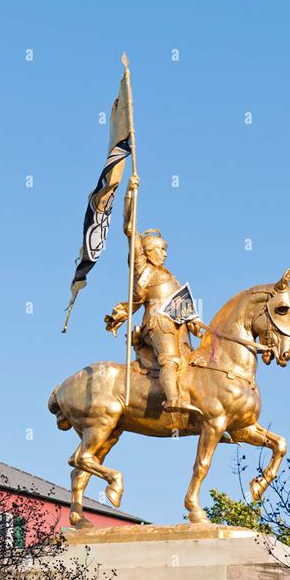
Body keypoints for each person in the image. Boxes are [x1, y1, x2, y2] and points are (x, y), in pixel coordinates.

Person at [104, 174, 203, 415]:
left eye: (165, 250)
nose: (164, 254)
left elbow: (182, 305)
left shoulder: (171, 277)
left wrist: (195, 321)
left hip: (177, 327)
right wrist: (130, 193)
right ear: (147, 252)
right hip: (157, 323)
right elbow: (130, 228)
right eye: (160, 249)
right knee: (170, 359)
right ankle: (173, 400)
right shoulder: (142, 267)